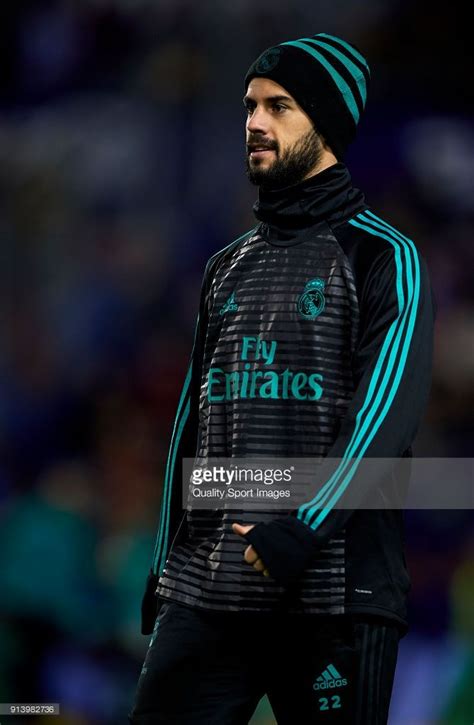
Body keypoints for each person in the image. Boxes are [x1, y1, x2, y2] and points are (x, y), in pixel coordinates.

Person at [129, 32, 435, 724]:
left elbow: (385, 416)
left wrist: (300, 529)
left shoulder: (385, 257)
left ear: (323, 121)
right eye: (249, 107)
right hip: (208, 587)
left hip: (335, 593)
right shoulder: (224, 266)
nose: (255, 124)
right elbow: (190, 423)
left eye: (279, 106)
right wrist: (161, 560)